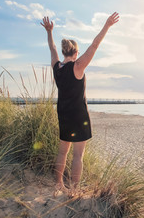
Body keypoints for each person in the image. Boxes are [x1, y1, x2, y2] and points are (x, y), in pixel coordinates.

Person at [41, 12, 119, 197]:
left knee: (62, 153)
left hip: (63, 114)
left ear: (64, 53)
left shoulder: (57, 68)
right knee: (78, 156)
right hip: (79, 116)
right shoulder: (78, 66)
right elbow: (95, 45)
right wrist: (107, 25)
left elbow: (52, 48)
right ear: (76, 53)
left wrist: (49, 31)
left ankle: (59, 184)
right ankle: (74, 189)